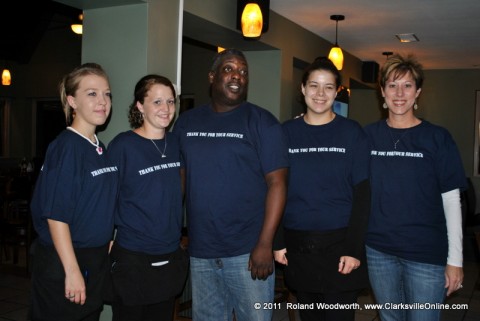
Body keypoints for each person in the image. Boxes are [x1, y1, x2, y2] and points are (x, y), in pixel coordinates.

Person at [172, 48, 289, 321]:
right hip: (201, 252)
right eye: (229, 69)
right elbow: (178, 181)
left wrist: (264, 243)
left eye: (243, 72)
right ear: (212, 76)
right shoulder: (186, 123)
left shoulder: (263, 122)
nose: (237, 75)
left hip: (248, 252)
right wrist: (171, 230)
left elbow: (278, 185)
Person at [364, 53, 467, 321]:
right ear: (382, 93)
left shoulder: (437, 138)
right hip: (378, 251)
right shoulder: (367, 137)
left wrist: (455, 260)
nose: (400, 93)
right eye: (392, 85)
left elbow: (451, 201)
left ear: (417, 92)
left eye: (407, 85)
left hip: (426, 254)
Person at [273, 57, 371, 321]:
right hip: (298, 247)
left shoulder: (352, 132)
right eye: (314, 85)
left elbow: (363, 196)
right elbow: (275, 190)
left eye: (328, 87)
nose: (320, 93)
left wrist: (353, 248)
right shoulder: (285, 133)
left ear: (336, 91)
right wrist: (278, 241)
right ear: (303, 89)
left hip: (340, 248)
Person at [29, 62, 118, 321]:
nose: (102, 101)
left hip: (94, 259)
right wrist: (72, 270)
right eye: (92, 93)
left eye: (107, 94)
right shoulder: (66, 147)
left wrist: (107, 237)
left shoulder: (98, 147)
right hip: (65, 260)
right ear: (72, 101)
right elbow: (56, 216)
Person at [107, 74, 189, 321]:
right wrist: (106, 239)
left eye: (170, 102)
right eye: (157, 102)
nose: (166, 109)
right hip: (133, 258)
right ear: (140, 106)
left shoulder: (176, 143)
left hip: (169, 255)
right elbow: (106, 198)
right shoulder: (123, 145)